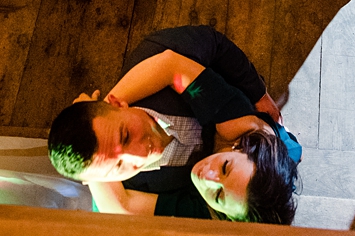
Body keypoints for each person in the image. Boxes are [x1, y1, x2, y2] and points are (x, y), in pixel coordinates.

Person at [80, 44, 298, 223]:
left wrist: (89, 159)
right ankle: (288, 142)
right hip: (269, 137)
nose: (207, 178)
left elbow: (123, 207)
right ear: (240, 146)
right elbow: (171, 66)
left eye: (219, 196)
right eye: (225, 167)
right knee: (293, 150)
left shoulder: (207, 213)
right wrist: (103, 114)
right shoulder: (233, 116)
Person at [48, 25, 284, 191]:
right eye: (118, 166)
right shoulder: (140, 186)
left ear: (117, 103)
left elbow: (216, 46)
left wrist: (258, 93)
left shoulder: (153, 51)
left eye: (126, 135)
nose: (140, 156)